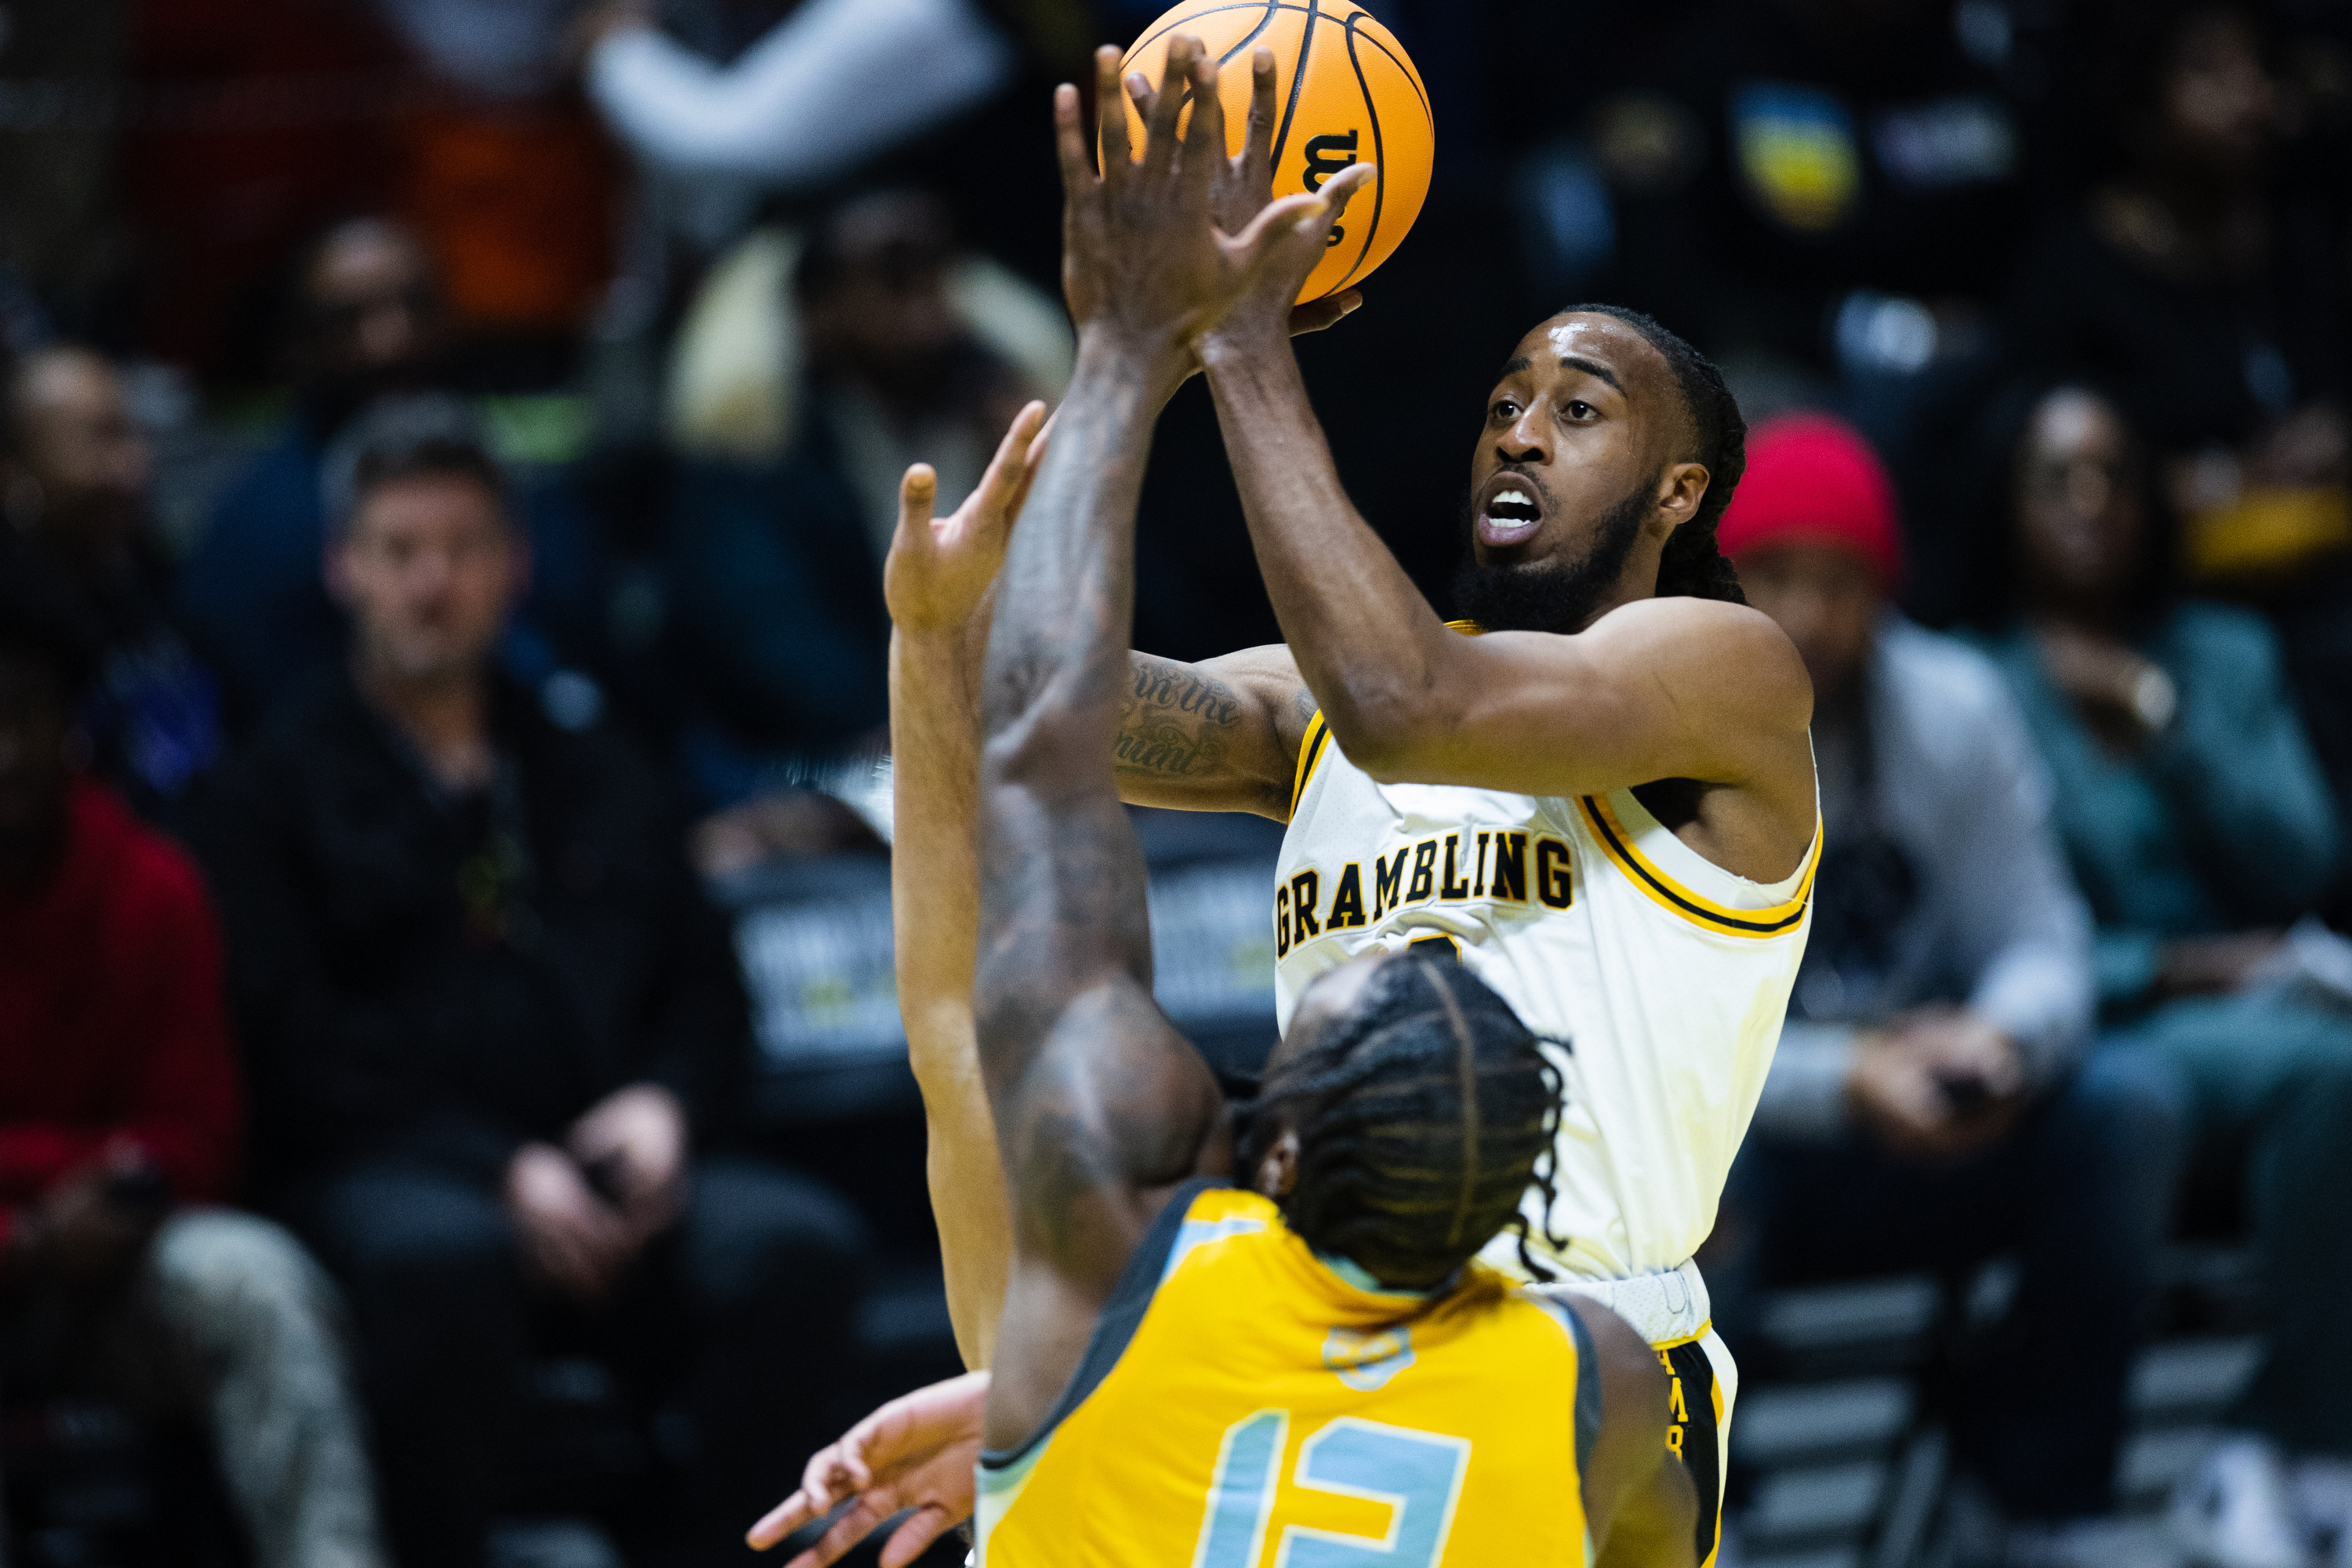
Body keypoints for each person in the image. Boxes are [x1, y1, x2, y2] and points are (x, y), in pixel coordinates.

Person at [750, 46, 1699, 1564]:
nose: (1524, 429)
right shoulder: (1590, 1386)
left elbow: (979, 966)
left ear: (1267, 1150)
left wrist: (1136, 348)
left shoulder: (1095, 1302)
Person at [954, 44, 1817, 1568]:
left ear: (1681, 492)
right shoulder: (1310, 701)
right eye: (1504, 400)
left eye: (1581, 406)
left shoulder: (1721, 672)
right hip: (1308, 1298)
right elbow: (1039, 717)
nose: (1521, 428)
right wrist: (1132, 352)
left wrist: (1241, 339)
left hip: (1584, 1348)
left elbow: (1413, 708)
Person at [190, 397, 869, 1568]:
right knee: (439, 1262)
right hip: (401, 1170)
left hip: (611, 1167)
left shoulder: (591, 756)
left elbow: (708, 986)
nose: (432, 583)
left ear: (514, 566)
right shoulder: (268, 788)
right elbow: (291, 1044)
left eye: (461, 550)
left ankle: (716, 1551)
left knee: (791, 1246)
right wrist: (499, 1170)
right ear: (344, 568)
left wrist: (667, 1105)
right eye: (401, 552)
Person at [1709, 412, 2182, 1555]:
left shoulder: (1954, 708)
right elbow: (1652, 1031)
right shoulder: (1661, 728)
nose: (1812, 616)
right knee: (1672, 1156)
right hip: (1764, 1136)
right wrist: (1847, 1078)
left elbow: (2043, 941)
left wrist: (2001, 1044)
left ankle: (2037, 1494)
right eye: (1778, 577)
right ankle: (1703, 1504)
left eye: (1843, 583)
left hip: (1947, 1106)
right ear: (1723, 584)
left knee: (2129, 1105)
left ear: (1887, 590)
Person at [1973, 384, 2352, 1568]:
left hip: (2273, 988)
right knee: (2333, 1076)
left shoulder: (2224, 654)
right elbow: (2001, 933)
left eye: (2111, 478)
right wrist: (2182, 969)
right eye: (2056, 481)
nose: (2089, 507)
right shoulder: (1978, 685)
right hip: (2110, 1017)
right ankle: (2280, 1441)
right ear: (2006, 507)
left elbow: (2303, 854)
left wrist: (2164, 718)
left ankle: (2293, 1448)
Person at [0, 571, 387, 1568]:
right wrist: (32, 1227)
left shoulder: (150, 886)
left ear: (72, 728)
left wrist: (108, 1199)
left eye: (21, 717)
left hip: (115, 1263)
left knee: (259, 1284)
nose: (2, 752)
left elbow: (202, 1133)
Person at [176, 217, 604, 728]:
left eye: (413, 306)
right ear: (294, 347)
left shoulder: (519, 484)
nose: (389, 340)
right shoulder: (254, 539)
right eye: (347, 320)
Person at [2, 344, 225, 818]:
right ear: (14, 474)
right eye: (98, 440)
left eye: (133, 434)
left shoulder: (146, 571)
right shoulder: (19, 628)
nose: (132, 465)